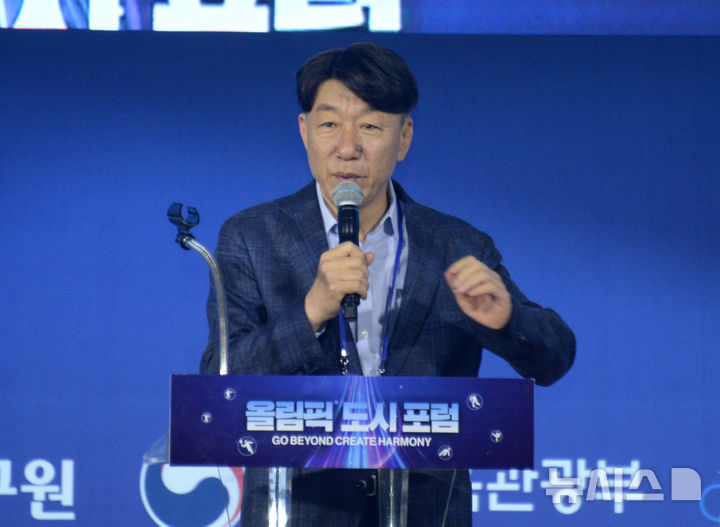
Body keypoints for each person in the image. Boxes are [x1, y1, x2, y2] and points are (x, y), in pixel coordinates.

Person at [201, 42, 575, 527]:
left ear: (404, 138)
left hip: (425, 510)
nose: (348, 147)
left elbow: (554, 358)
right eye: (329, 124)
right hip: (298, 509)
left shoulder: (456, 244)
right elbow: (219, 381)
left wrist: (507, 321)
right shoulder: (253, 237)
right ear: (305, 131)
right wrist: (311, 312)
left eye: (371, 127)